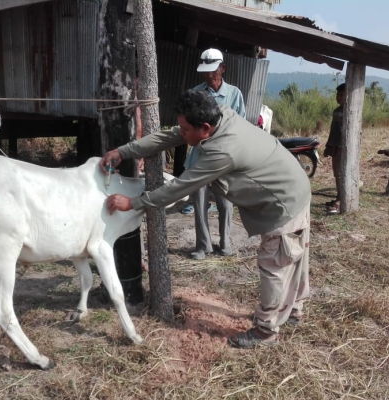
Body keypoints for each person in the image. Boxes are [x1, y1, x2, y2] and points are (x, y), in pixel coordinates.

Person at [100, 89, 311, 348]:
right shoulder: (221, 116)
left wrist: (134, 203)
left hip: (283, 202)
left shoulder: (223, 151)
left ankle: (266, 331)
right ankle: (293, 311)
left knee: (275, 264)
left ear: (206, 129)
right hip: (294, 184)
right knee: (294, 255)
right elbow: (170, 136)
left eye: (186, 129)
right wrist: (124, 151)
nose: (181, 133)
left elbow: (180, 187)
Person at [181, 48, 246, 260]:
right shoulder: (195, 94)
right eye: (205, 71)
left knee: (225, 201)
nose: (208, 75)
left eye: (213, 70)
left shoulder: (234, 94)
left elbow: (240, 126)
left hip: (224, 157)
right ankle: (203, 246)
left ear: (222, 68)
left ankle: (225, 242)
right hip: (200, 156)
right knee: (199, 202)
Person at [324, 83, 346, 214]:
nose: (338, 97)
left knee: (342, 174)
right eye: (338, 95)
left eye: (341, 95)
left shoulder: (350, 112)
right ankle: (339, 196)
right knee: (337, 173)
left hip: (344, 147)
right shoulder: (336, 111)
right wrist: (328, 146)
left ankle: (342, 199)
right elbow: (333, 130)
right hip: (335, 146)